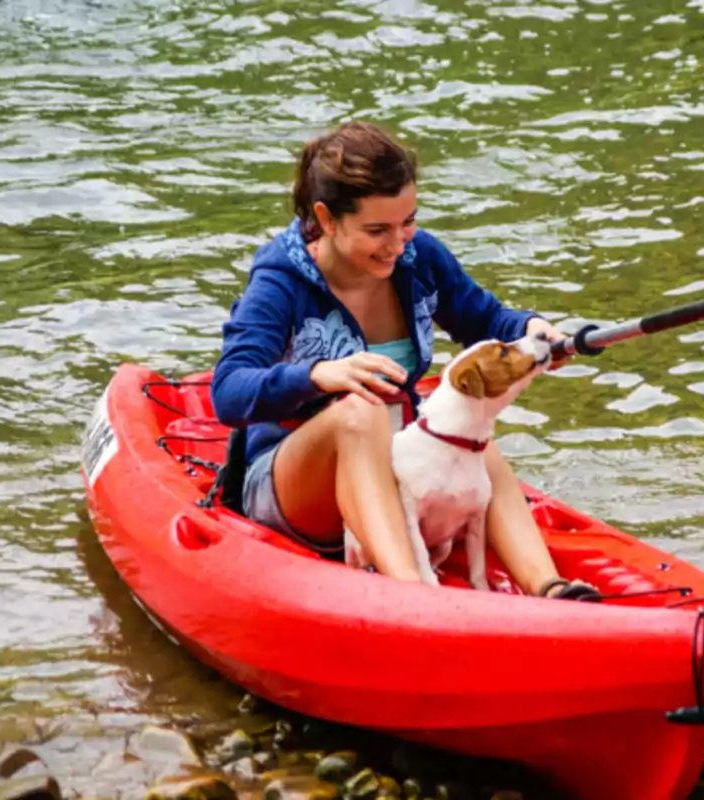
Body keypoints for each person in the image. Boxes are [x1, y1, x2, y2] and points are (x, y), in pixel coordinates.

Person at [211, 121, 598, 601]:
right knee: (357, 409)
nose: (398, 244)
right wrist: (317, 374)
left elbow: (488, 319)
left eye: (407, 221)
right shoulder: (279, 282)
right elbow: (229, 392)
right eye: (377, 230)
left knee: (475, 437)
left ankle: (551, 588)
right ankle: (413, 594)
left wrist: (535, 332)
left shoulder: (419, 258)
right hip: (294, 484)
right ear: (327, 219)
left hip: (395, 468)